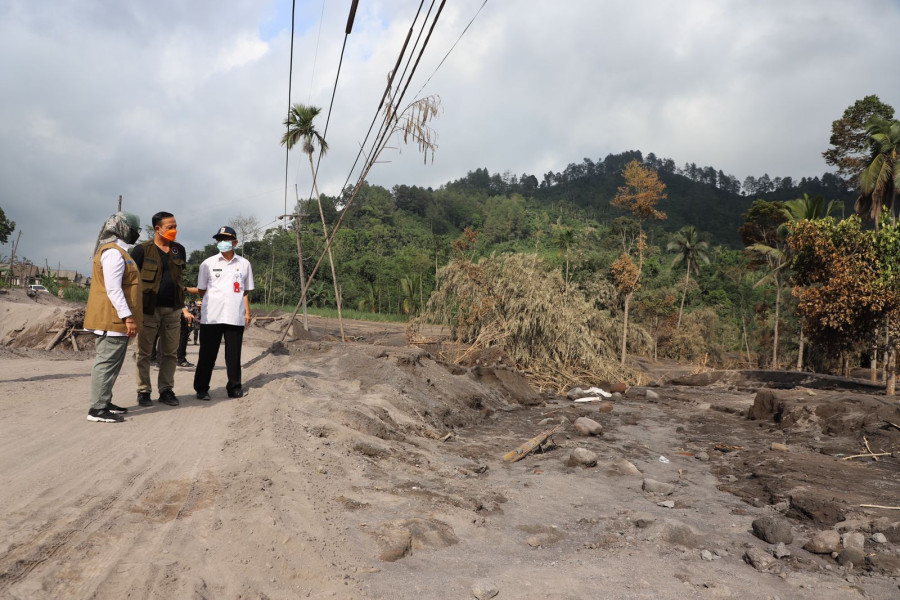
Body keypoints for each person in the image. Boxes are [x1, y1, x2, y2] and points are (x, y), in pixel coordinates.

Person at [131, 211, 197, 407]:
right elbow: (132, 281)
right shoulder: (141, 250)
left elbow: (178, 281)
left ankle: (166, 390)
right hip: (149, 309)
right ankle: (143, 391)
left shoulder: (179, 250)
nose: (174, 230)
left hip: (173, 309)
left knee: (170, 353)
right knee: (144, 352)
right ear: (157, 229)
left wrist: (184, 308)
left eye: (175, 226)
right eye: (170, 227)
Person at [83, 212, 142, 423]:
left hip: (116, 318)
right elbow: (113, 289)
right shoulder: (113, 253)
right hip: (112, 318)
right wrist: (128, 317)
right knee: (106, 362)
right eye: (136, 230)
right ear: (124, 228)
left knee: (113, 363)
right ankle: (97, 408)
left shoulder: (120, 252)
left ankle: (104, 401)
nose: (137, 233)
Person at [193, 226, 254, 400]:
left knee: (233, 355)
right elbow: (202, 290)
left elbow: (246, 290)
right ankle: (201, 388)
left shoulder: (244, 264)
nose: (222, 243)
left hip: (235, 316)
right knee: (207, 354)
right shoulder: (208, 263)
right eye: (219, 240)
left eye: (226, 239)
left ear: (235, 242)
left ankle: (234, 387)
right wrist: (216, 300)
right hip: (212, 316)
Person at [176, 298, 196, 367]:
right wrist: (185, 311)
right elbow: (176, 297)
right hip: (175, 312)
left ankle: (155, 358)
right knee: (183, 333)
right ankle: (180, 359)